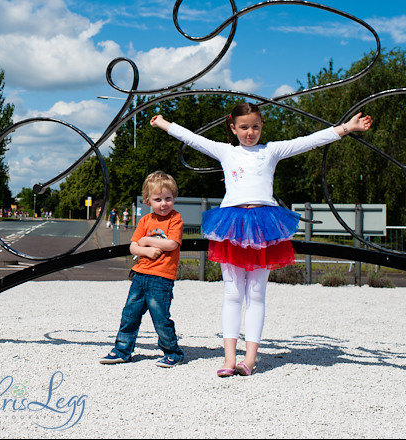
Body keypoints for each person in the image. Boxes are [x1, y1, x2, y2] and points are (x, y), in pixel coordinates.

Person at [150, 102, 372, 377]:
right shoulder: (226, 151)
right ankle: (229, 358)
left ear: (261, 126)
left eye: (255, 126)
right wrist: (163, 124)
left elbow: (309, 141)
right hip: (231, 225)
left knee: (256, 295)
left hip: (263, 227)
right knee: (232, 294)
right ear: (233, 128)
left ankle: (250, 359)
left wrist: (347, 128)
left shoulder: (271, 151)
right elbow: (193, 139)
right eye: (244, 127)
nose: (250, 132)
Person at [100, 171, 185, 368]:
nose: (164, 203)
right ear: (148, 201)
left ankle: (173, 352)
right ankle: (122, 350)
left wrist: (146, 241)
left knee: (160, 317)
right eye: (158, 199)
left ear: (174, 198)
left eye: (168, 198)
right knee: (130, 314)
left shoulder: (175, 218)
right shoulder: (145, 221)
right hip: (141, 275)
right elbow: (133, 247)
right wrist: (145, 248)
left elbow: (172, 244)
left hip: (162, 277)